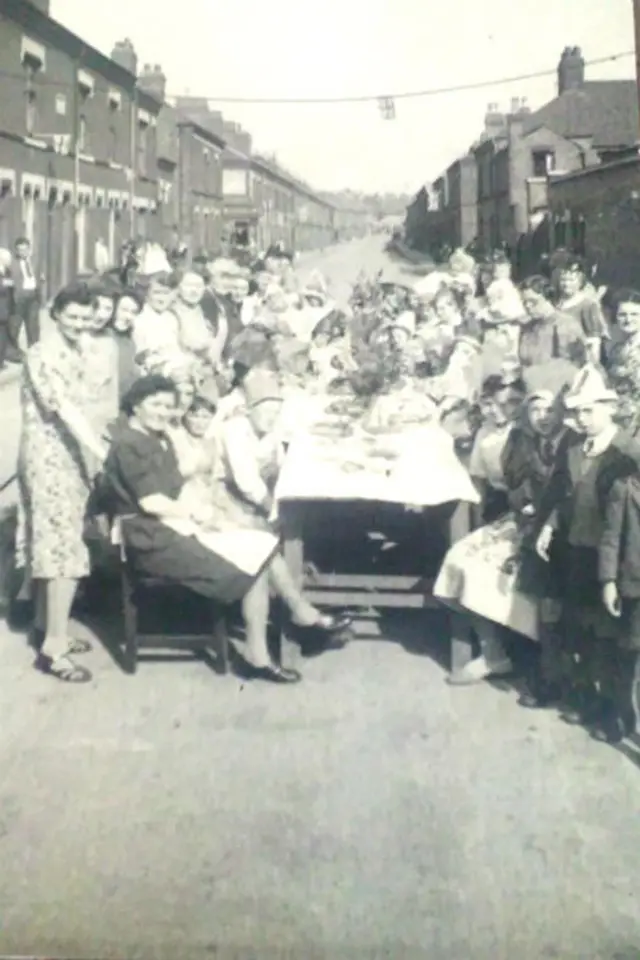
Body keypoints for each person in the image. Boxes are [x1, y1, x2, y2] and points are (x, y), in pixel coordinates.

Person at [103, 374, 350, 683]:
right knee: (254, 559)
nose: (163, 412)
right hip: (151, 538)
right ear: (135, 405)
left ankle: (286, 629)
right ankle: (285, 632)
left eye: (168, 406)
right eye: (155, 405)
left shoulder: (155, 438)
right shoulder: (130, 445)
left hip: (172, 525)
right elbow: (153, 502)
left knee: (261, 544)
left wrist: (174, 433)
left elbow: (185, 472)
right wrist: (199, 514)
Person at [534, 365, 640, 735]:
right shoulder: (576, 447)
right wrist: (550, 524)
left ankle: (617, 711)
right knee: (583, 626)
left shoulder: (629, 451)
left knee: (613, 635)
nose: (581, 418)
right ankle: (590, 697)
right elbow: (567, 494)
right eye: (576, 411)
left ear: (609, 408)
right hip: (578, 548)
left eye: (588, 410)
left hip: (614, 556)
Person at [18, 282, 109, 683]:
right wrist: (100, 451)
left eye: (86, 318)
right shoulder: (41, 355)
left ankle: (45, 627)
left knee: (59, 539)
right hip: (51, 457)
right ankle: (54, 649)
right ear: (55, 315)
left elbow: (94, 400)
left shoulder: (80, 351)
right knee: (63, 550)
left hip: (73, 455)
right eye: (71, 317)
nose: (79, 324)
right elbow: (66, 408)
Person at [598, 473, 640, 741]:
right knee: (628, 654)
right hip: (634, 586)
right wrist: (608, 581)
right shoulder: (624, 487)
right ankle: (624, 715)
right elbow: (611, 537)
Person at [519, 275, 587, 368]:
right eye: (524, 302)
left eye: (533, 301)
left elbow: (579, 363)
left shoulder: (566, 325)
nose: (528, 306)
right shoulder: (527, 327)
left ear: (548, 299)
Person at [555, 256, 608, 365]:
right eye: (563, 280)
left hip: (579, 360)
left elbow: (594, 340)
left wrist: (592, 366)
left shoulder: (587, 305)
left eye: (571, 280)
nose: (566, 284)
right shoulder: (556, 303)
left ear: (580, 281)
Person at [605, 289, 640, 433]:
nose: (628, 319)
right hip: (620, 416)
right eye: (622, 315)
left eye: (634, 314)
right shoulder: (617, 349)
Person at [132, 271, 180, 356]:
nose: (161, 299)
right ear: (146, 294)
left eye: (166, 293)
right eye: (157, 293)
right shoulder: (139, 320)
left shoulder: (172, 318)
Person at [111, 288, 144, 399]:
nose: (128, 317)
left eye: (134, 312)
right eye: (124, 310)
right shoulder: (102, 337)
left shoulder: (130, 341)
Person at [10, 236, 41, 352]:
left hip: (33, 297)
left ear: (29, 249)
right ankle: (13, 351)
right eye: (20, 250)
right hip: (19, 298)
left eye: (25, 249)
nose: (23, 252)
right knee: (14, 326)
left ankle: (33, 349)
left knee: (33, 325)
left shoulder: (34, 261)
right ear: (16, 251)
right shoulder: (12, 263)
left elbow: (38, 277)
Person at [0, 248, 15, 370]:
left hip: (5, 309)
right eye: (8, 259)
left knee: (3, 337)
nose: (10, 261)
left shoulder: (7, 272)